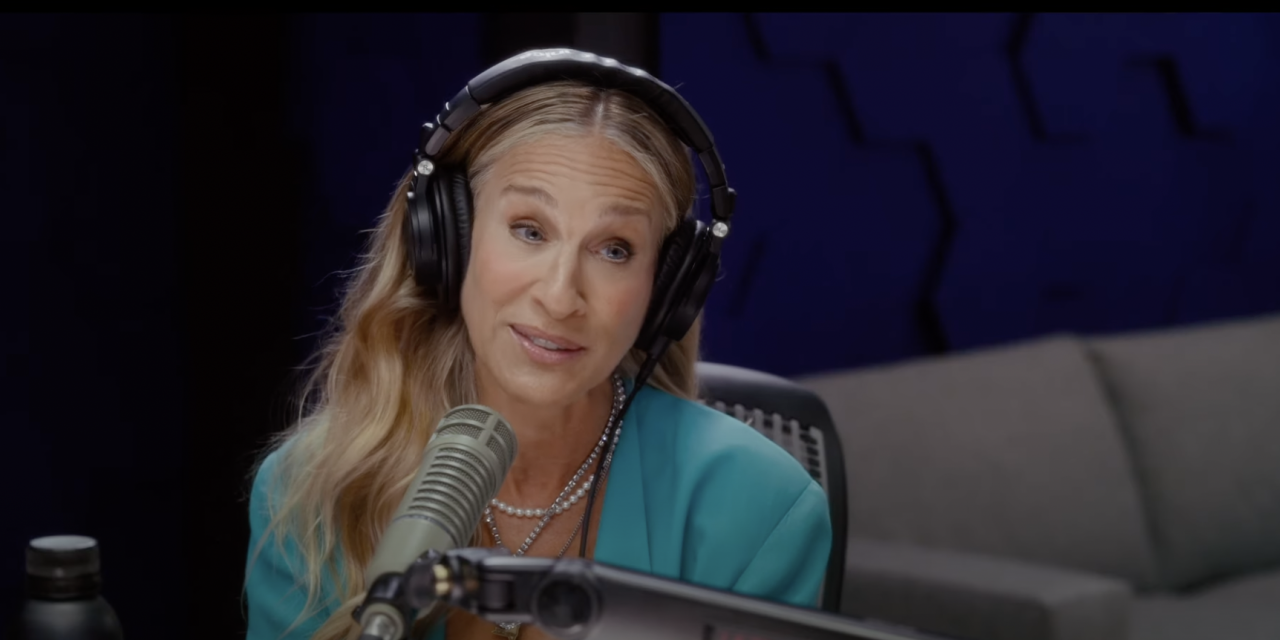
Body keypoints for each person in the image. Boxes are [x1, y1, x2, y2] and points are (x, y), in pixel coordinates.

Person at [243, 50, 832, 640]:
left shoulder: (760, 507)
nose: (560, 296)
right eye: (529, 230)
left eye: (615, 249)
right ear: (447, 239)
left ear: (666, 288)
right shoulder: (313, 490)